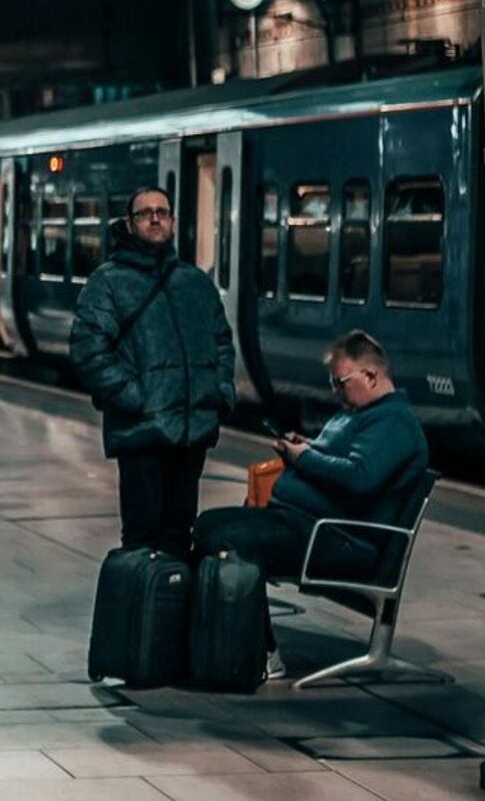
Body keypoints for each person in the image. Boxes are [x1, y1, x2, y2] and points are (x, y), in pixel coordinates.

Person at [194, 331, 428, 679]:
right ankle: (217, 643)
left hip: (340, 540)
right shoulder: (359, 413)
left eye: (341, 382)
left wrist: (303, 458)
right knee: (208, 525)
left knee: (233, 542)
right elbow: (337, 460)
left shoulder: (394, 423)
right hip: (305, 523)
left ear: (371, 375)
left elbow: (358, 478)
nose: (336, 391)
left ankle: (263, 653)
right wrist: (306, 448)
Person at [70, 186, 236, 556]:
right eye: (145, 213)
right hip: (141, 430)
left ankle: (170, 608)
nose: (155, 218)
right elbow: (88, 351)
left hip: (192, 430)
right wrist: (135, 399)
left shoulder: (194, 282)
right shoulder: (108, 282)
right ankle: (142, 609)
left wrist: (220, 393)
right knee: (143, 537)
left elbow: (222, 341)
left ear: (174, 221)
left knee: (179, 532)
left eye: (162, 211)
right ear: (130, 224)